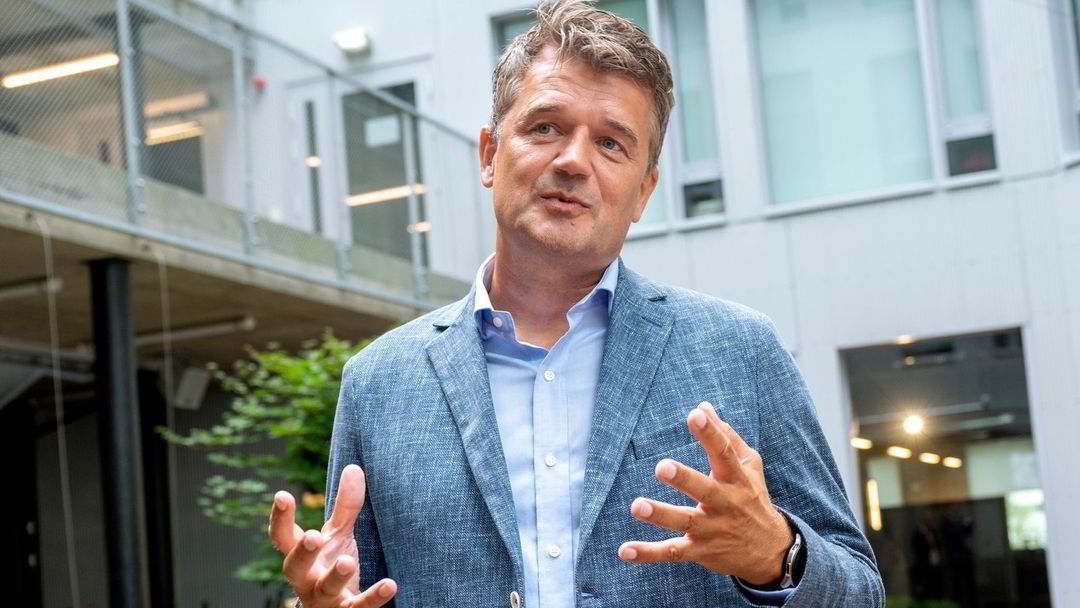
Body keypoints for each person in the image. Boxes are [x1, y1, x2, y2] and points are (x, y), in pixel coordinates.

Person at [267, 1, 885, 606]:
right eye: (545, 128)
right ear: (489, 154)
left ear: (643, 192)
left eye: (612, 143)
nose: (572, 160)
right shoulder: (378, 383)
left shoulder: (741, 351)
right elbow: (353, 587)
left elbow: (861, 590)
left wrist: (777, 554)